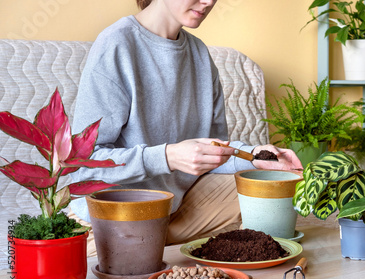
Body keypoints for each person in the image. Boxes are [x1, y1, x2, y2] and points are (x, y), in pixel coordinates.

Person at [69, 0, 303, 256]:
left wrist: (255, 156)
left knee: (268, 196)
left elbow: (212, 151)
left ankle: (166, 248)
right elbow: (83, 165)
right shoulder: (117, 45)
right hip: (115, 220)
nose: (209, 1)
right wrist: (167, 156)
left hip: (176, 209)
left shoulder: (199, 54)